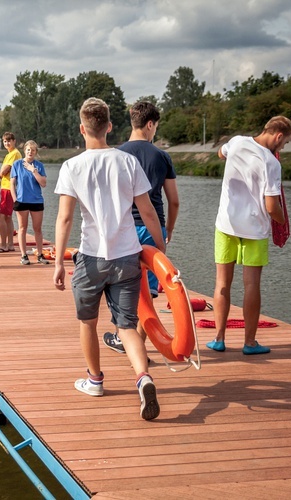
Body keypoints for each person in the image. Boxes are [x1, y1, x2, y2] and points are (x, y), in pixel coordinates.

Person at [53, 97, 166, 421]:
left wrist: (59, 262)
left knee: (88, 323)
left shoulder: (73, 166)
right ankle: (143, 378)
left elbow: (64, 219)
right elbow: (148, 212)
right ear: (110, 126)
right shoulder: (127, 162)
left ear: (82, 128)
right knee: (127, 325)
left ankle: (95, 381)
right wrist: (160, 252)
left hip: (90, 258)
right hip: (127, 257)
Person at [206, 116, 291, 355]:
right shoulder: (272, 163)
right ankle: (250, 343)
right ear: (278, 136)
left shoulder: (236, 142)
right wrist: (284, 224)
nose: (283, 147)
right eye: (284, 143)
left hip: (226, 225)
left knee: (222, 283)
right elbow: (272, 207)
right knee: (252, 285)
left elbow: (220, 154)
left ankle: (219, 338)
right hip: (254, 230)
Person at [104, 101, 180, 354]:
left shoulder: (116, 154)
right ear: (150, 124)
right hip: (151, 227)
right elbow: (174, 200)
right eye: (156, 127)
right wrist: (167, 230)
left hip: (123, 227)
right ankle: (138, 342)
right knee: (148, 292)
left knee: (123, 286)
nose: (155, 131)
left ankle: (123, 338)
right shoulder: (162, 156)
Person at [10, 140, 50, 265]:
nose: (30, 152)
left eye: (33, 150)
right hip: (21, 200)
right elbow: (12, 183)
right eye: (28, 150)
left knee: (37, 228)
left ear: (36, 152)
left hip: (36, 200)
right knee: (22, 228)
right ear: (24, 151)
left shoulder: (39, 166)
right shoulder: (17, 164)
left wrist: (34, 170)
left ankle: (40, 254)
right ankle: (23, 255)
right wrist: (14, 199)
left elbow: (43, 183)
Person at [0, 132, 21, 252]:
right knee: (8, 217)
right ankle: (10, 244)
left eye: (9, 140)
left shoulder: (14, 154)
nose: (7, 143)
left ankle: (3, 245)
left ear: (14, 141)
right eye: (5, 141)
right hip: (9, 188)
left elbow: (4, 170)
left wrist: (0, 173)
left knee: (0, 216)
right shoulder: (11, 154)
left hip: (7, 188)